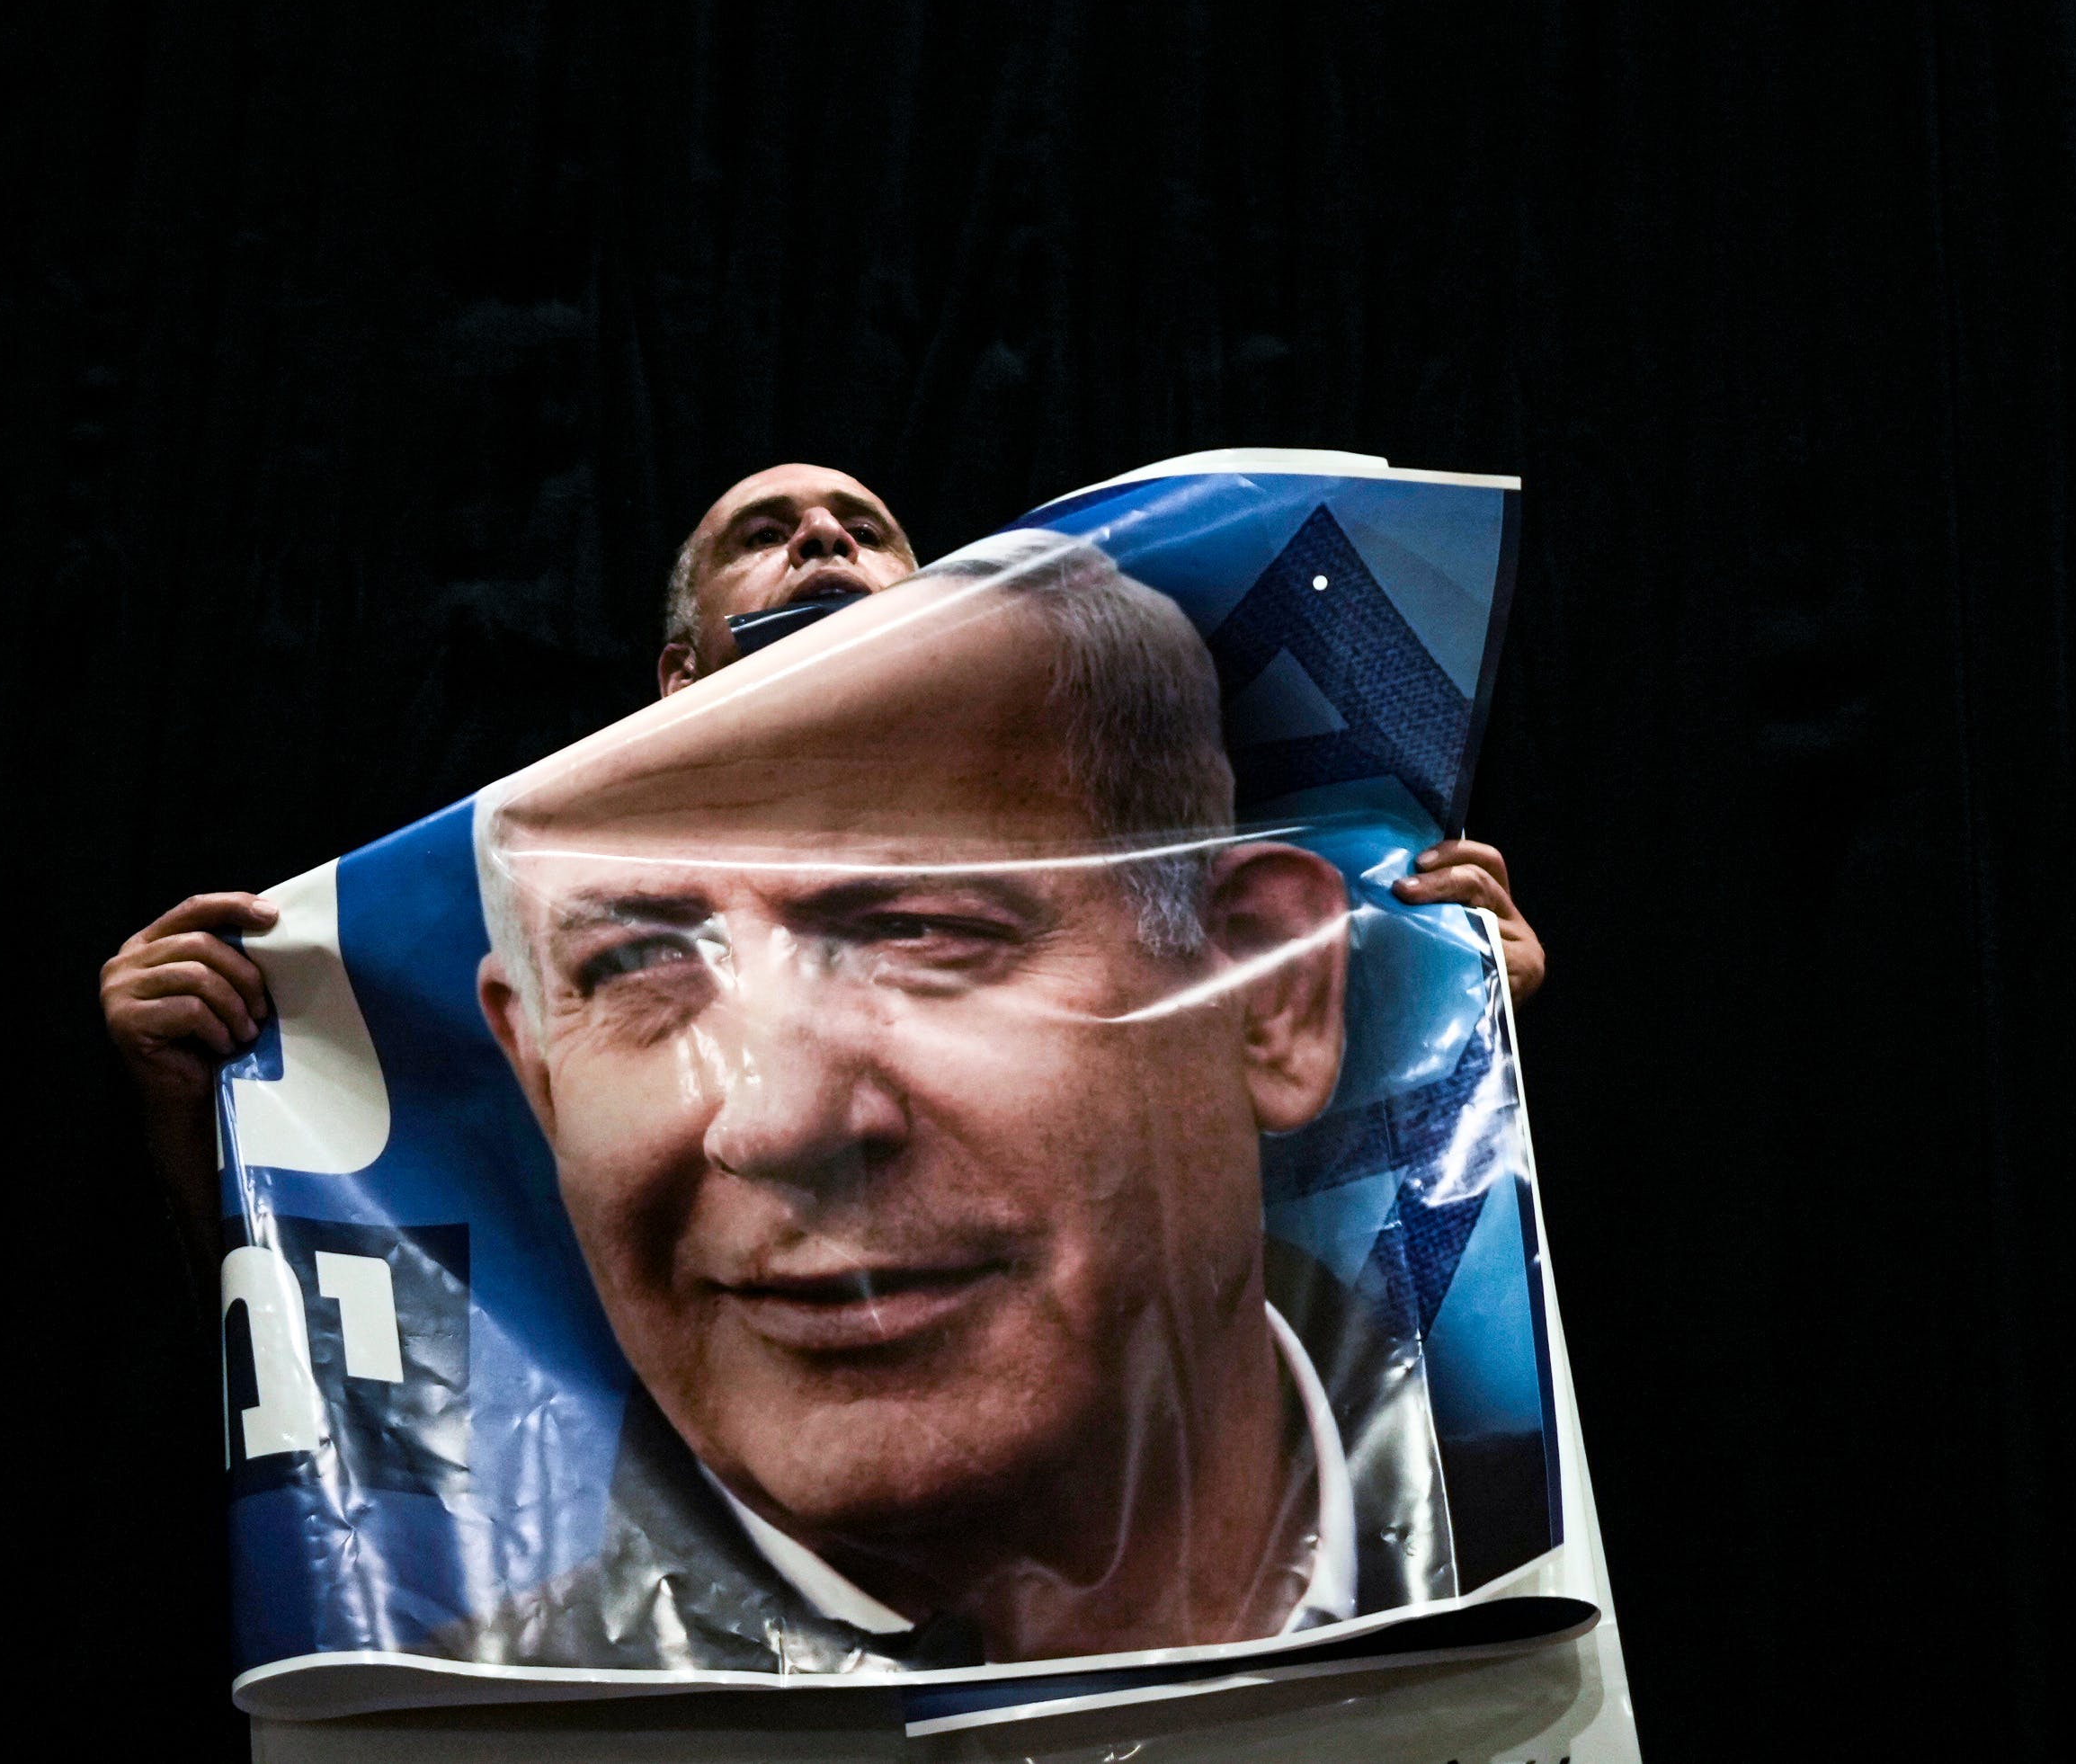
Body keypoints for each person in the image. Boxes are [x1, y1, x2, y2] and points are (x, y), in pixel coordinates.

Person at [99, 465, 1546, 1267]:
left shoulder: (1144, 895)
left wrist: (1444, 1008)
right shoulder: (508, 948)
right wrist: (205, 1096)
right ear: (676, 673)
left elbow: (1309, 1213)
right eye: (766, 534)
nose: (821, 539)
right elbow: (386, 1280)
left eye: (865, 532)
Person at [444, 530, 1437, 1668]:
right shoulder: (432, 1710)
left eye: (919, 932)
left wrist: (1457, 993)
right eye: (636, 966)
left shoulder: (1562, 1527)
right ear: (537, 1075)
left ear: (1269, 993)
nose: (773, 1121)